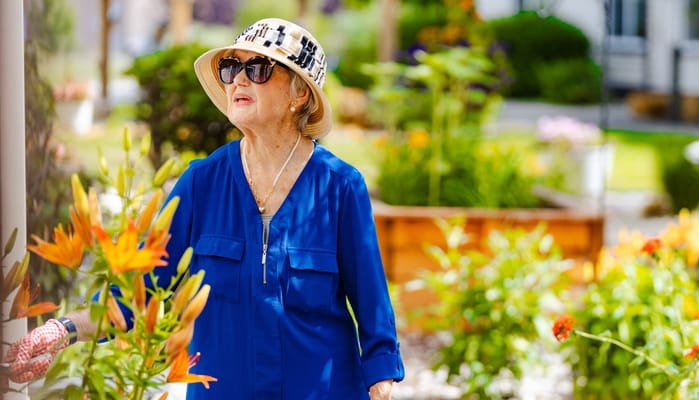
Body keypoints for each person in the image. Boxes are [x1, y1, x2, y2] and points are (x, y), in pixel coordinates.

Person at [3, 17, 405, 399]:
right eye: (232, 68)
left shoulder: (340, 186)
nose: (240, 79)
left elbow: (374, 318)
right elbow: (137, 293)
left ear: (300, 95)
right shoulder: (202, 182)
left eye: (260, 68)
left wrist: (381, 386)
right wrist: (62, 329)